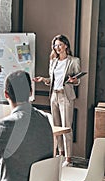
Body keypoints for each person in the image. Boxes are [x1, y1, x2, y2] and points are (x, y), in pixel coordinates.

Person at [33, 34, 81, 167]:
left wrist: (74, 80)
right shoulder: (53, 61)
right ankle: (60, 153)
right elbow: (52, 80)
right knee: (56, 126)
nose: (57, 47)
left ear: (66, 45)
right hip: (54, 95)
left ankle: (69, 159)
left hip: (66, 96)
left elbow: (77, 81)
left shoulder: (74, 61)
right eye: (55, 45)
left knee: (66, 127)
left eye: (60, 45)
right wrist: (43, 80)